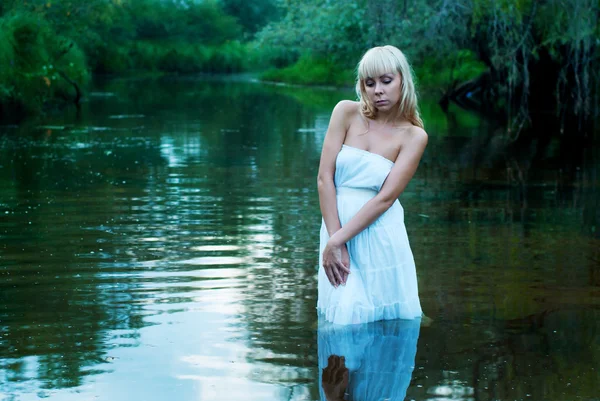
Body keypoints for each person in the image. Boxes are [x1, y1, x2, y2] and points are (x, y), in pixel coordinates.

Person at [316, 45, 427, 325]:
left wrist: (338, 239)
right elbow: (324, 178)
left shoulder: (414, 136)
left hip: (380, 232)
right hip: (335, 226)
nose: (378, 90)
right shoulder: (345, 113)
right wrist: (334, 239)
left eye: (386, 81)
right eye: (370, 83)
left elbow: (386, 199)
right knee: (341, 318)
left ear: (403, 80)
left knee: (382, 318)